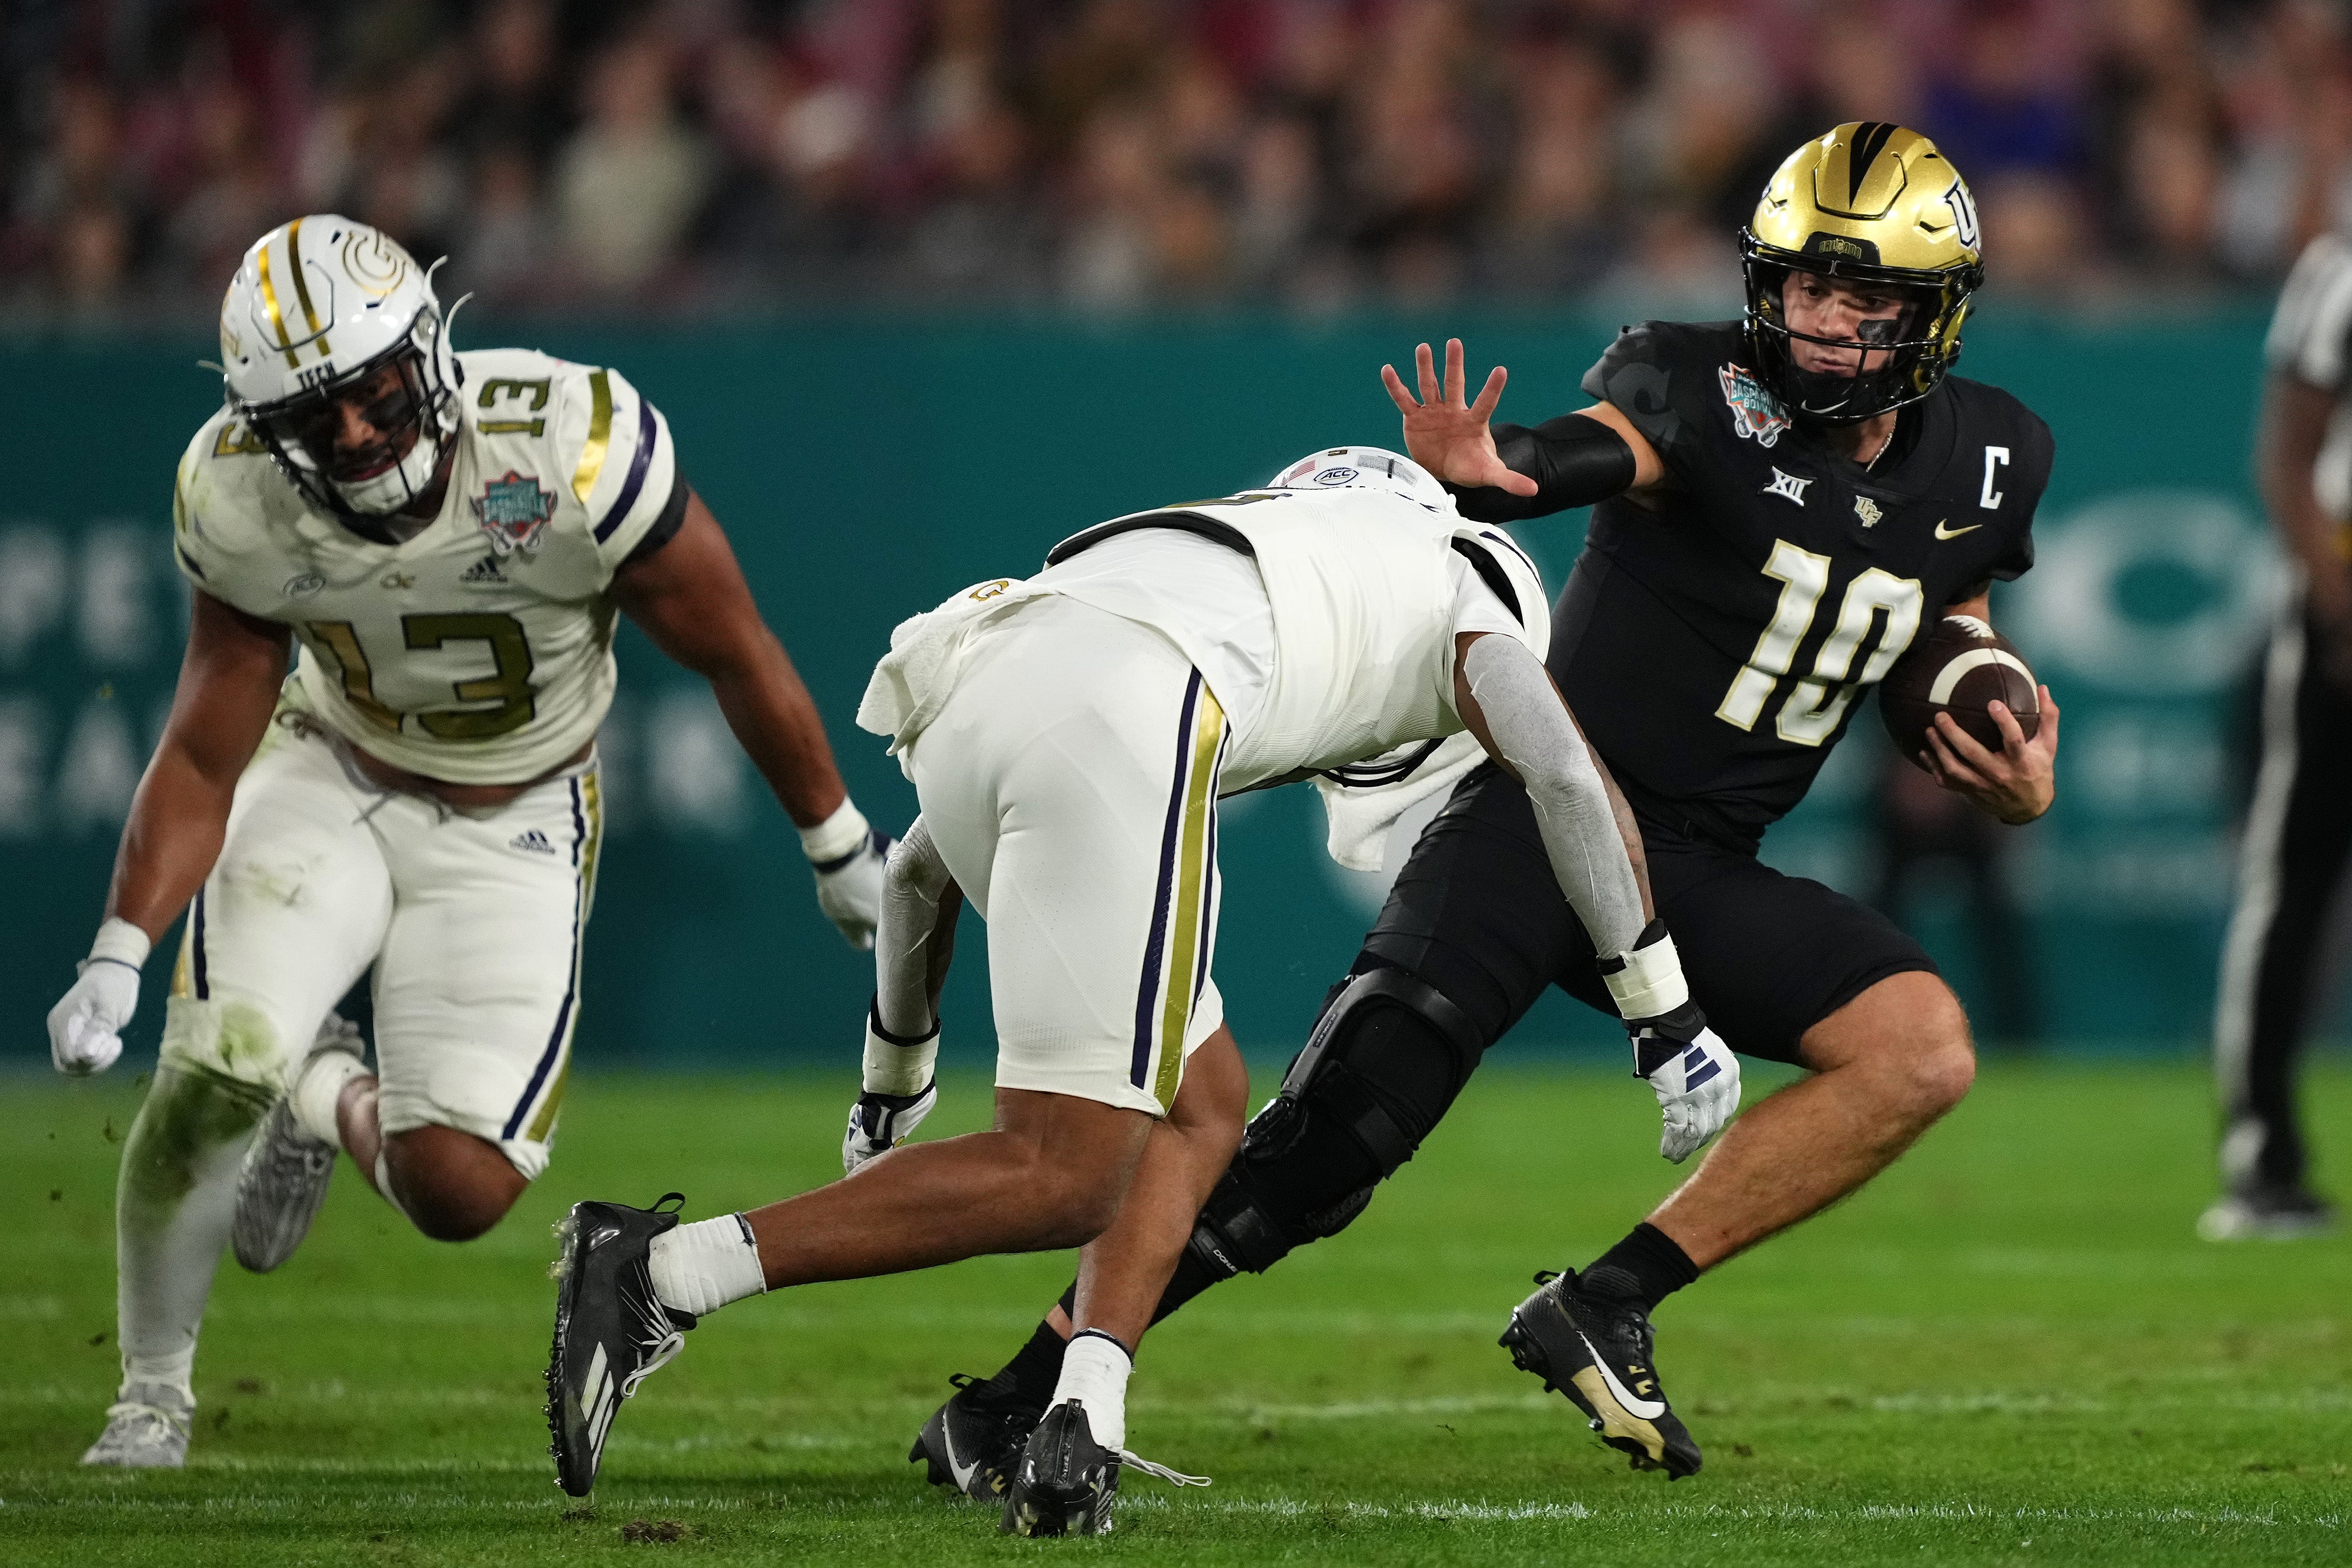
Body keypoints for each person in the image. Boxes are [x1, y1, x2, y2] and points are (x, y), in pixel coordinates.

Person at [907, 122, 2060, 1491]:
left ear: (1930, 317)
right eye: (1802, 286)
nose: (1818, 324)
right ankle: (1014, 1399)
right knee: (1315, 1159)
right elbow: (1584, 452)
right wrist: (1492, 463)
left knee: (1918, 1046)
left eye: (1859, 298)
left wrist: (1993, 713)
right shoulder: (1692, 383)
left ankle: (1604, 1299)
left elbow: (1946, 602)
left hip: (1695, 866)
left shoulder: (1994, 456)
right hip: (1536, 820)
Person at [544, 446, 1743, 1532]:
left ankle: (1080, 1417)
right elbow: (1567, 780)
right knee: (1065, 1170)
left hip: (979, 680)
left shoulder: (1242, 553)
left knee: (1199, 1102)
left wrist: (892, 1073)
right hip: (1131, 708)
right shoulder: (1461, 579)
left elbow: (918, 870)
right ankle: (660, 1272)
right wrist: (1662, 1006)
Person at [45, 217, 890, 1469]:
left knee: (462, 1189)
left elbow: (734, 649)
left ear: (429, 350)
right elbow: (208, 744)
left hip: (519, 809)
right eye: (310, 414)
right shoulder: (237, 490)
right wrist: (121, 944)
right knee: (215, 1060)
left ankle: (322, 1088)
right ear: (260, 425)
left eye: (370, 390)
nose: (347, 434)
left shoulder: (573, 444)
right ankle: (151, 1397)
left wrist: (835, 841)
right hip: (329, 768)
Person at [2204, 228, 2352, 1241]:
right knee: (2292, 882)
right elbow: (2287, 453)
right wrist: (2339, 602)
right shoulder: (2343, 268)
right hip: (2346, 609)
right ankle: (2263, 1156)